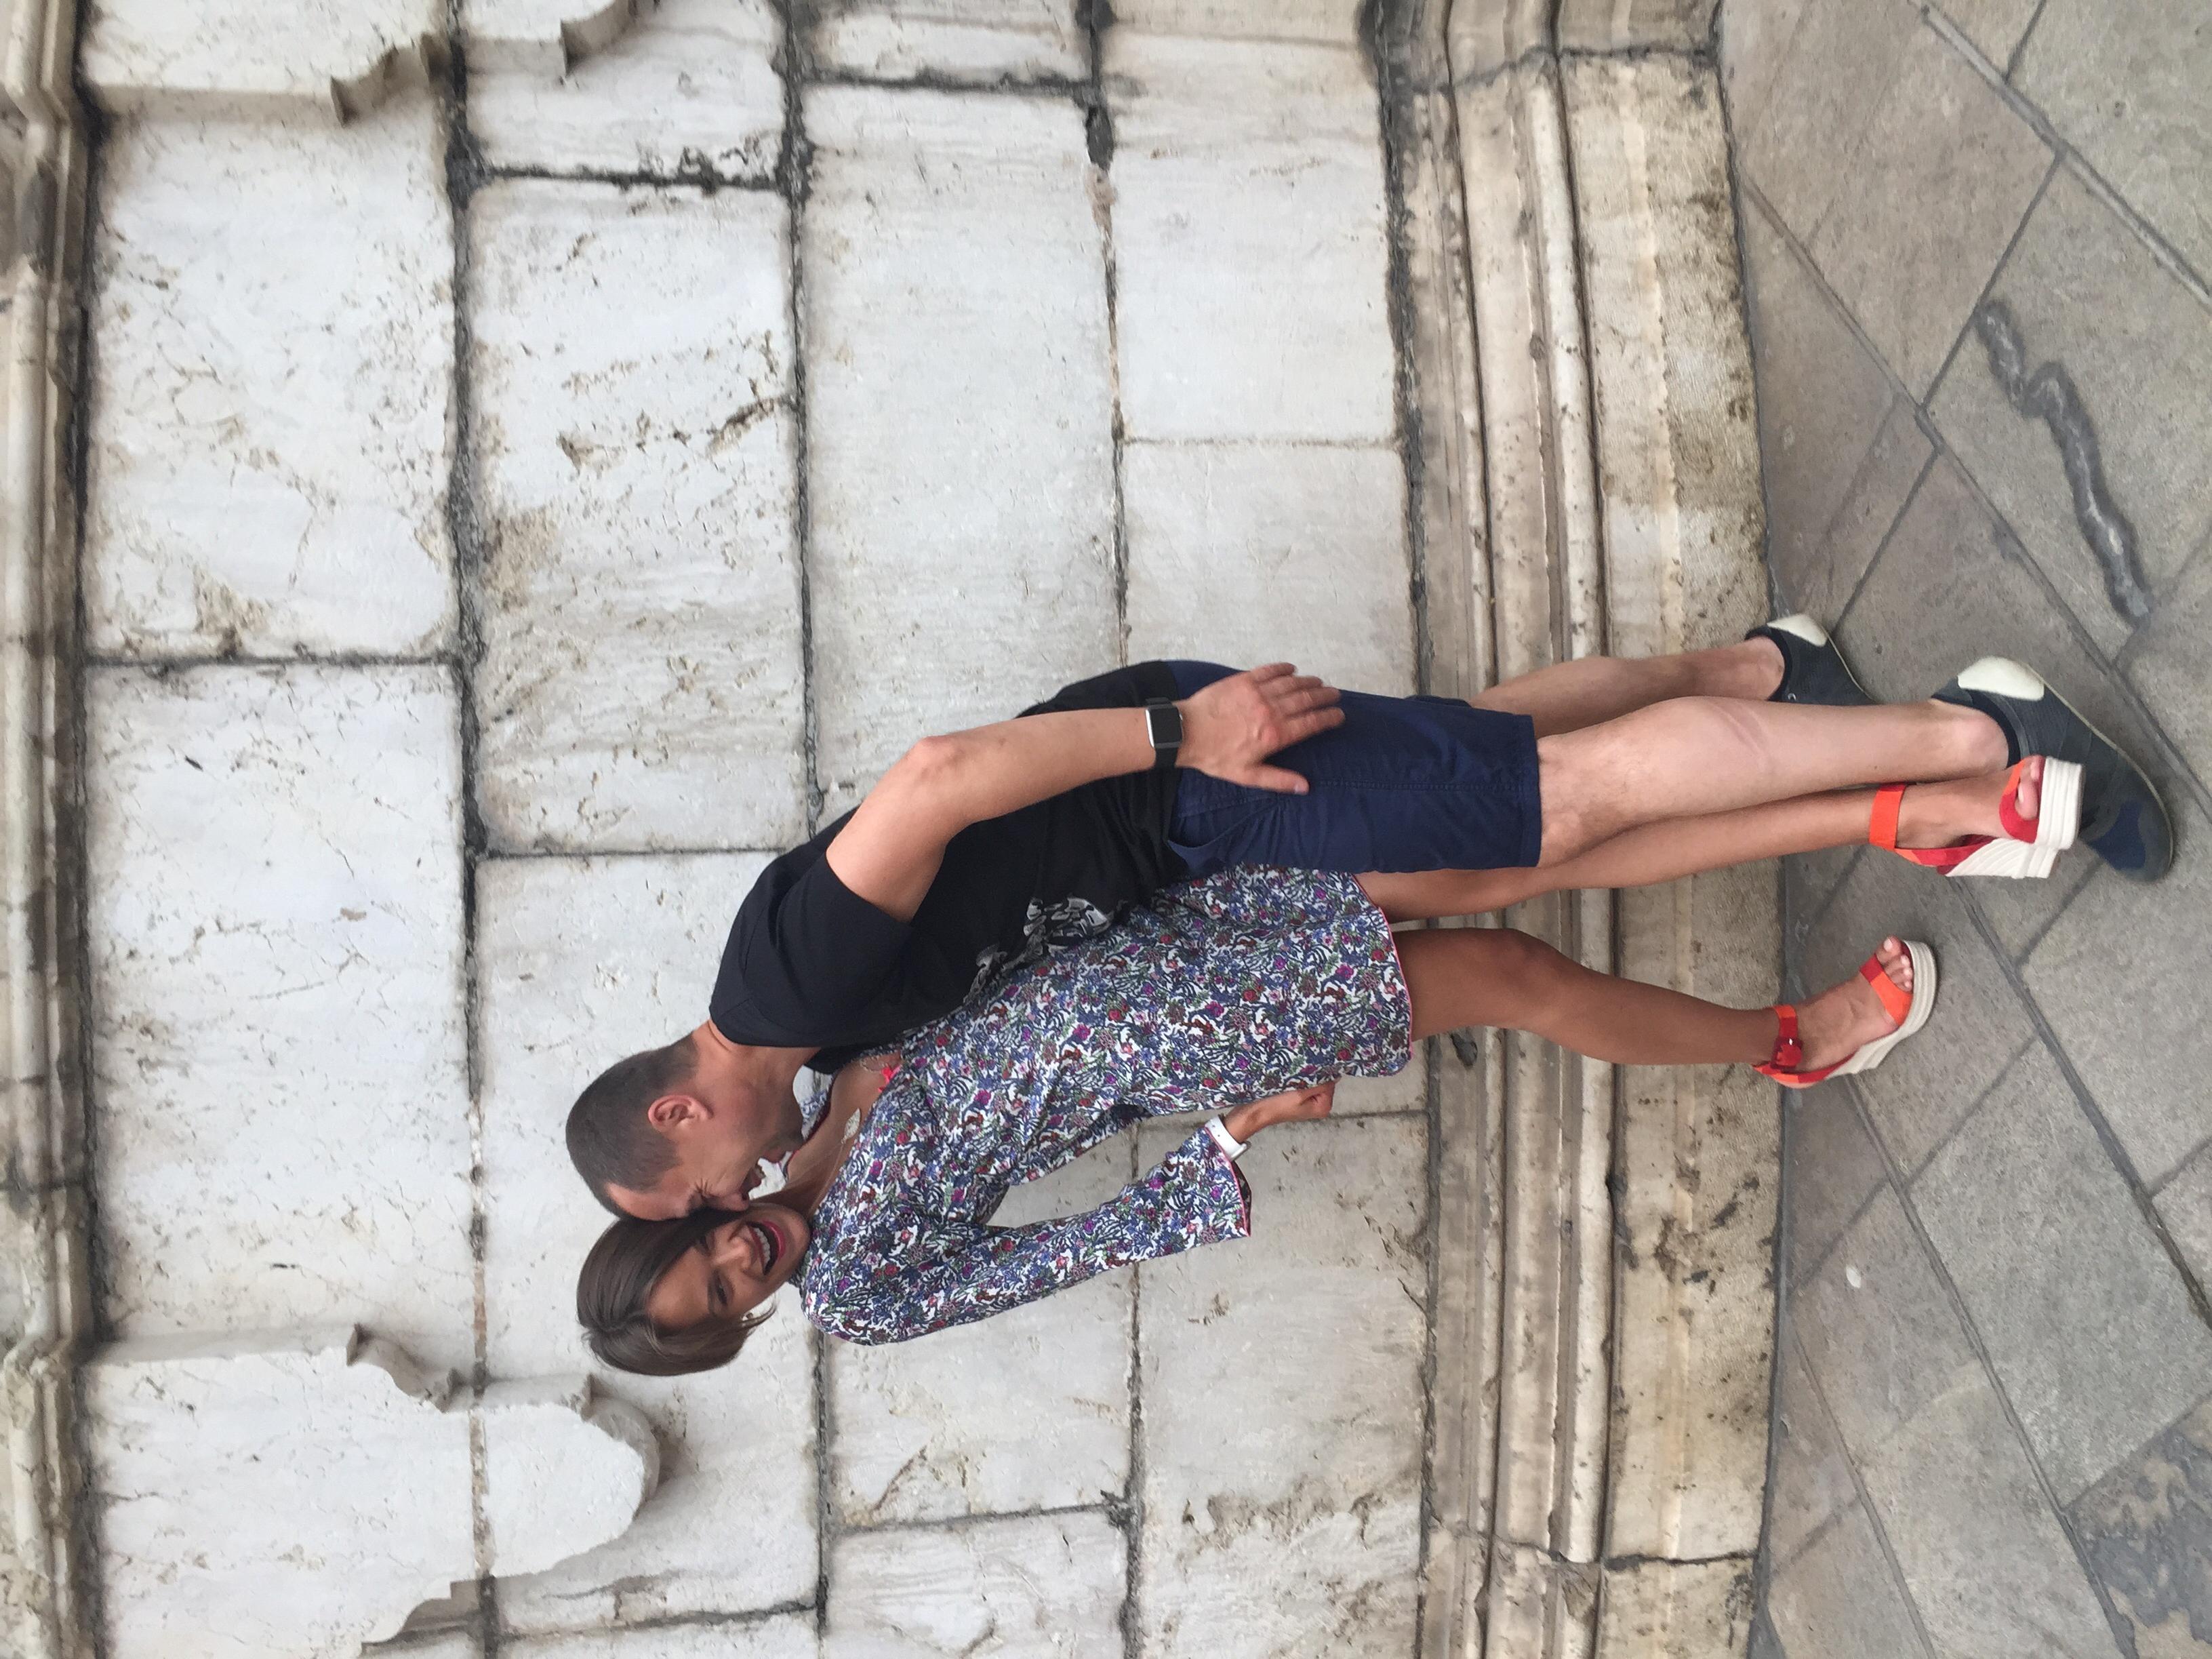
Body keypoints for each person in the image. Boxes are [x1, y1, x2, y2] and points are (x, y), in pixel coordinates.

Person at [565, 620, 2169, 1226]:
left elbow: (936, 779)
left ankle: (1978, 736)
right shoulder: (809, 1031)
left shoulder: (780, 983)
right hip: (1185, 844)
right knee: (1520, 777)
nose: (737, 1192)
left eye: (702, 1186)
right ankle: (1788, 680)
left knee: (1565, 804)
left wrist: (1181, 735)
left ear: (676, 1113)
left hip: (1185, 794)